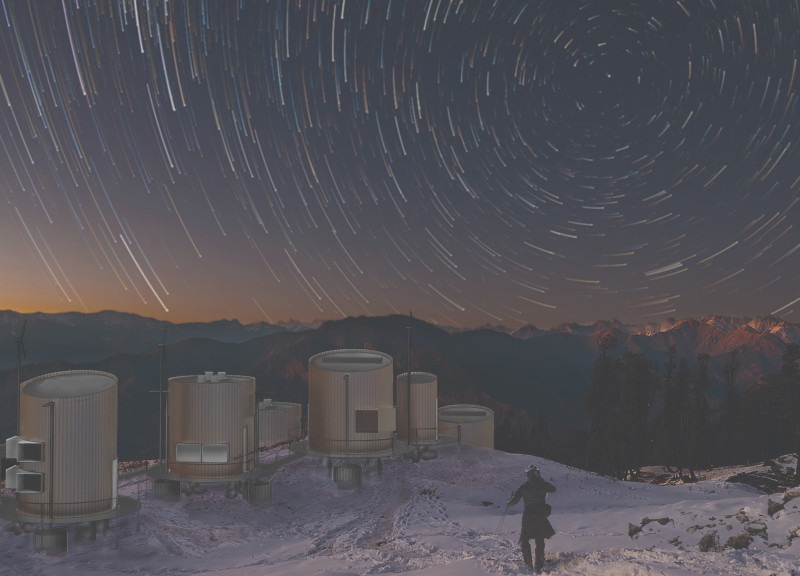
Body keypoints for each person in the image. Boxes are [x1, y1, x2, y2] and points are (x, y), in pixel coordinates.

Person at [507, 464, 556, 572]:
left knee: (525, 540)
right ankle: (539, 565)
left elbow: (513, 502)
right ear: (536, 474)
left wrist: (508, 502)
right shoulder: (542, 484)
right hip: (540, 515)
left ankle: (528, 564)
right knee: (539, 540)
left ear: (528, 475)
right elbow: (553, 489)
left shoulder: (524, 486)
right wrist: (541, 479)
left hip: (528, 516)